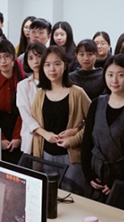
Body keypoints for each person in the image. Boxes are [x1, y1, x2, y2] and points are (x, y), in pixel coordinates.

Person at [31, 46, 91, 194]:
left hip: (71, 157)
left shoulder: (77, 93)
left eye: (57, 64)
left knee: (72, 197)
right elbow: (34, 124)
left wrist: (74, 136)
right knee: (48, 197)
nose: (52, 69)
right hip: (46, 155)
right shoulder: (40, 95)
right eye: (47, 64)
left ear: (65, 66)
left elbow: (93, 123)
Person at [82, 54, 124, 201]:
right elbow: (87, 142)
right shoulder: (97, 103)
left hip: (122, 180)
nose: (114, 80)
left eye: (120, 75)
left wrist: (117, 181)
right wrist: (88, 174)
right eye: (110, 74)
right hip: (96, 175)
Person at [16, 43, 46, 156]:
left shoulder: (55, 82)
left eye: (39, 56)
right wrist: (41, 131)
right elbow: (25, 114)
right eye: (31, 58)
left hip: (52, 136)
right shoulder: (23, 85)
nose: (35, 61)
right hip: (32, 136)